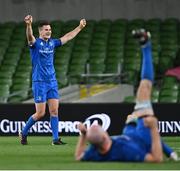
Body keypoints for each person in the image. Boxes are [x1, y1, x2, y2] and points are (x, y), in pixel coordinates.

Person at [75, 29, 179, 162]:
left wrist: (83, 134)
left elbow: (79, 157)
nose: (96, 124)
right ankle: (146, 45)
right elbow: (156, 159)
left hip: (128, 132)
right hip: (140, 136)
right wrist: (153, 128)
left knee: (132, 116)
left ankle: (170, 153)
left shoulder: (94, 153)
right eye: (99, 127)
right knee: (144, 88)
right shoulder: (127, 151)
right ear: (106, 136)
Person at [19, 15, 86, 145]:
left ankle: (55, 139)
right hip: (39, 82)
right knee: (40, 113)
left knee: (54, 111)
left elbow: (67, 37)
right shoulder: (35, 43)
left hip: (52, 82)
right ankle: (24, 132)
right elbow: (29, 37)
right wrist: (28, 25)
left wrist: (80, 27)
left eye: (50, 29)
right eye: (46, 29)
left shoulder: (52, 43)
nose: (49, 31)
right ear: (40, 31)